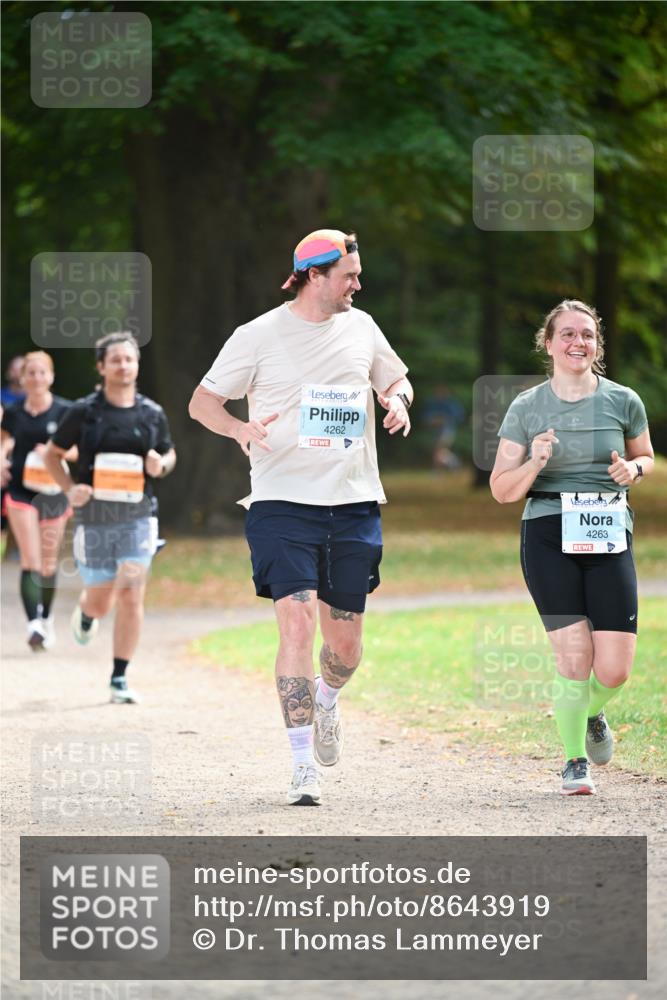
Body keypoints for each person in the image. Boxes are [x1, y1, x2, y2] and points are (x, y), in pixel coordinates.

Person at [189, 229, 413, 805]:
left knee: (346, 646)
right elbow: (202, 402)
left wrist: (397, 401)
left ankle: (327, 702)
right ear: (315, 274)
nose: (358, 284)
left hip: (353, 501)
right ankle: (300, 768)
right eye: (349, 276)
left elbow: (396, 377)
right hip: (281, 501)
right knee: (296, 623)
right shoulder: (258, 335)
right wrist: (238, 428)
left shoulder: (362, 327)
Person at [490, 300, 654, 796]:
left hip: (607, 532)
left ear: (597, 343)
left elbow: (646, 456)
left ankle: (590, 711)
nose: (577, 343)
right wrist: (536, 461)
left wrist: (635, 470)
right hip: (547, 533)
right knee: (574, 656)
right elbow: (502, 489)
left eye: (587, 335)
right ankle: (574, 761)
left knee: (615, 668)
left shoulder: (624, 400)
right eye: (567, 335)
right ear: (549, 343)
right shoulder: (527, 407)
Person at [43, 333, 176, 703]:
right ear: (101, 367)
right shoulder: (84, 412)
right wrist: (70, 489)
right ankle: (87, 614)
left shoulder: (151, 413)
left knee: (132, 592)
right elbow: (52, 456)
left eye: (129, 359)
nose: (123, 365)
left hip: (139, 516)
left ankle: (119, 677)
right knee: (101, 601)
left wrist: (160, 464)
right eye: (115, 360)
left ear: (137, 365)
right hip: (95, 519)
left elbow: (169, 454)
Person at [1, 352, 72, 650]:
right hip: (20, 491)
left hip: (54, 492)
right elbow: (3, 440)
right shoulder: (14, 413)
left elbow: (80, 450)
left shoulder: (65, 411)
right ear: (23, 378)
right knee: (30, 559)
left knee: (48, 561)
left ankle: (46, 617)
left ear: (51, 376)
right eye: (31, 373)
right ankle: (33, 625)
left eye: (42, 372)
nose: (36, 378)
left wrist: (55, 454)